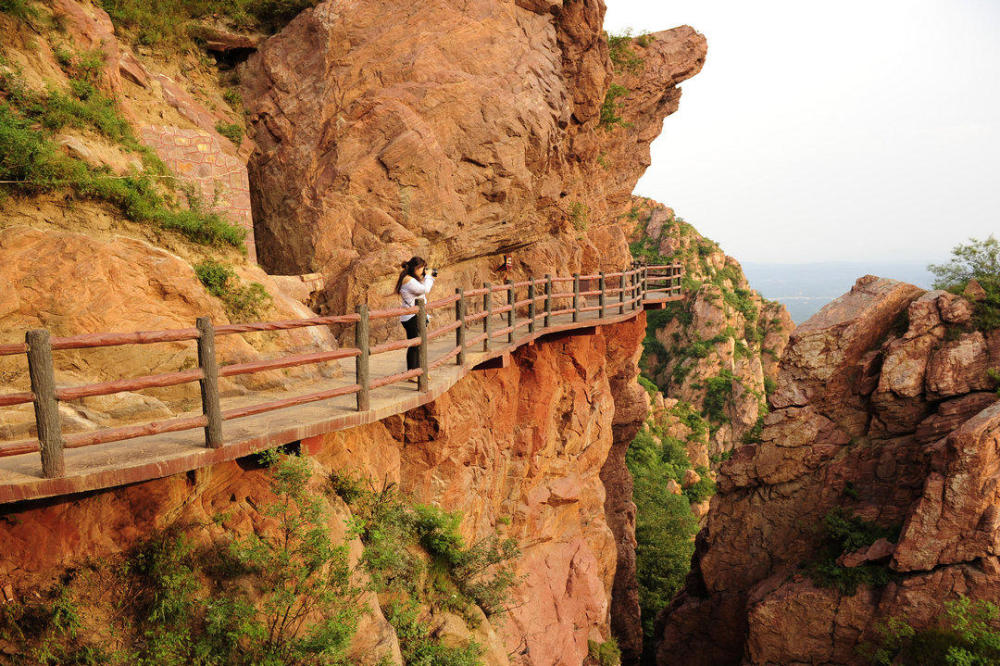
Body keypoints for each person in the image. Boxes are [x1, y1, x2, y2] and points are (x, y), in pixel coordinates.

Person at [395, 256, 436, 375]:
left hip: (413, 316)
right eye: (421, 269)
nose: (422, 271)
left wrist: (426, 276)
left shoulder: (410, 278)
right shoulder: (408, 280)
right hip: (412, 318)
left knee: (417, 345)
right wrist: (428, 276)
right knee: (415, 345)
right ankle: (413, 373)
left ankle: (417, 371)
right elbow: (424, 290)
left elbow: (421, 289)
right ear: (415, 268)